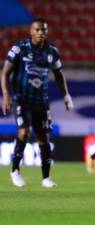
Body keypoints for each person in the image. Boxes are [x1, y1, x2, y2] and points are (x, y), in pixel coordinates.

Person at [1, 18, 74, 188]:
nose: (41, 32)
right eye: (38, 29)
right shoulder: (20, 48)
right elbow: (5, 72)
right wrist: (6, 95)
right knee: (24, 132)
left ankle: (46, 178)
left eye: (44, 30)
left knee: (43, 138)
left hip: (41, 100)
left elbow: (58, 74)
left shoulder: (52, 52)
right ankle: (15, 171)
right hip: (21, 98)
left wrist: (66, 96)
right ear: (31, 32)